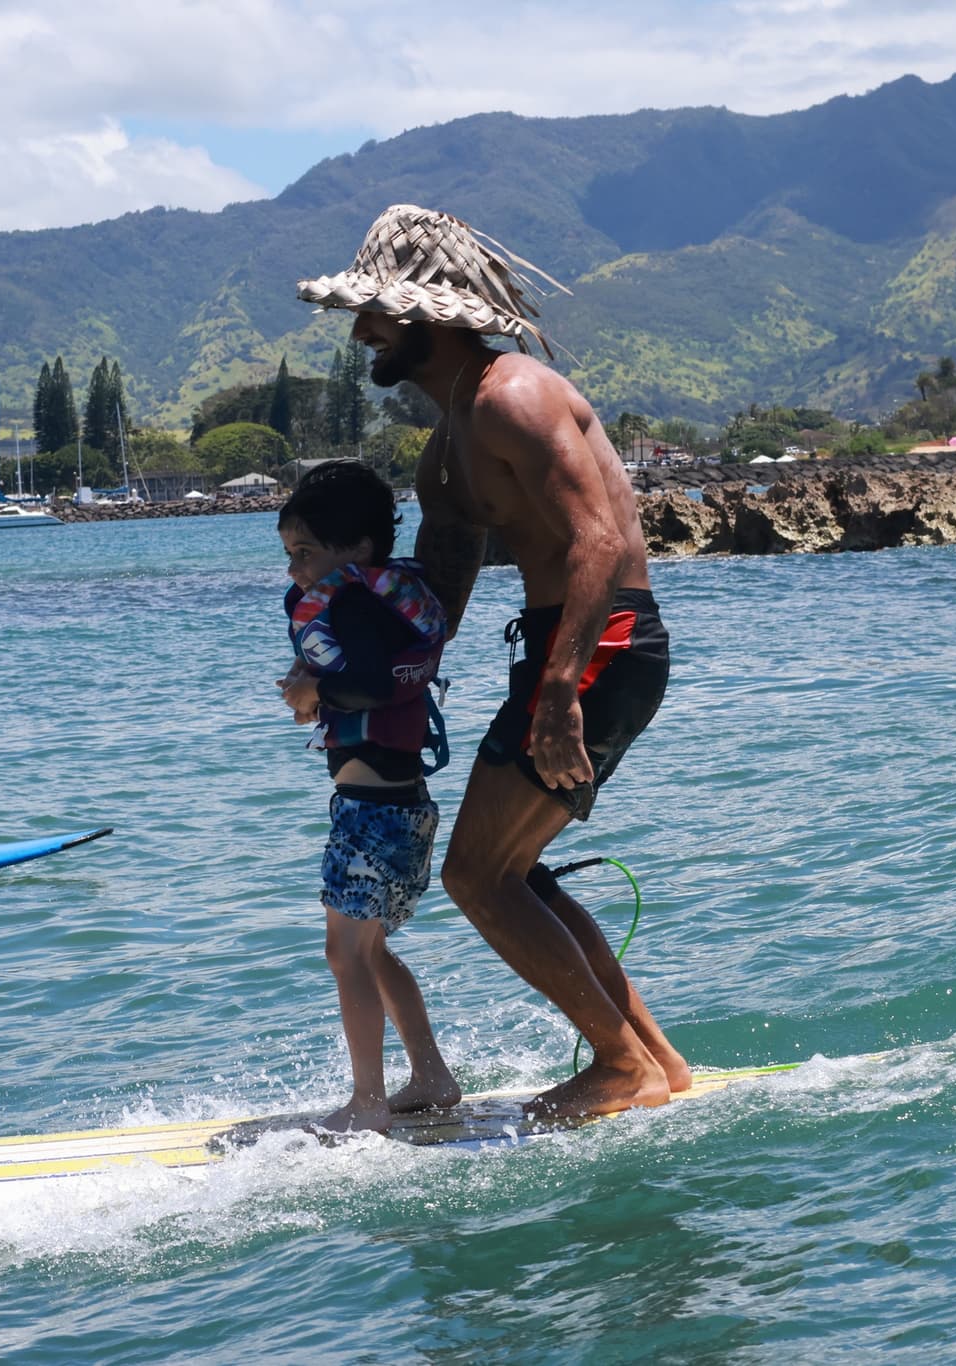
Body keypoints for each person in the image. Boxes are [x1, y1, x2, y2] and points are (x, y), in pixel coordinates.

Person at [297, 204, 690, 1119]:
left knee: (477, 875)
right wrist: (381, 675)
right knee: (511, 870)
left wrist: (557, 696)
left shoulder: (517, 395)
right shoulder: (448, 443)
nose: (360, 332)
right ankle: (655, 1063)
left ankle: (617, 1068)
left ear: (426, 318)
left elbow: (596, 542)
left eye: (375, 315)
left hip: (602, 649)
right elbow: (442, 577)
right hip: (562, 653)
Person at [277, 461, 461, 1132]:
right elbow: (374, 673)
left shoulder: (353, 599)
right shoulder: (379, 597)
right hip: (401, 807)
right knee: (371, 950)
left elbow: (375, 684)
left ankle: (368, 1101)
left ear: (355, 549)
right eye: (289, 554)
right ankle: (431, 1077)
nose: (295, 568)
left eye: (305, 552)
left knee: (345, 954)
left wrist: (316, 692)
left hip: (371, 812)